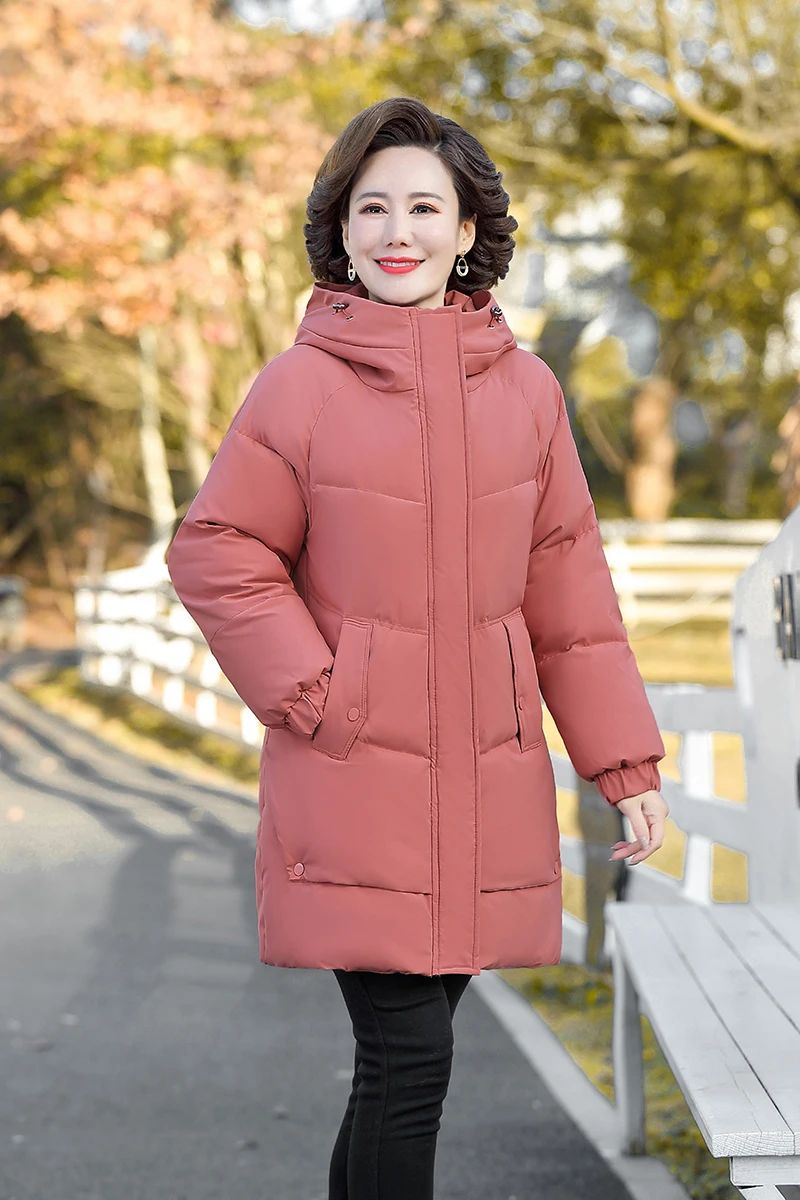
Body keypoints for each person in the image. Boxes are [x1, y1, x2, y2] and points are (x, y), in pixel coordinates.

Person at [166, 95, 669, 1200]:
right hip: (353, 773)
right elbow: (217, 548)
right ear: (341, 233)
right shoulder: (301, 385)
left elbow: (568, 592)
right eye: (373, 208)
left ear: (467, 228)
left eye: (424, 208)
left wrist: (623, 764)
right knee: (410, 1059)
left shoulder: (528, 391)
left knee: (395, 1070)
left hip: (485, 784)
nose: (398, 231)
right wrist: (316, 691)